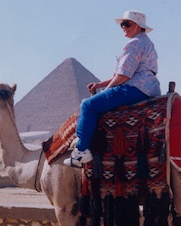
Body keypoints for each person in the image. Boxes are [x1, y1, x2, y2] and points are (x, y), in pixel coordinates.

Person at [64, 10, 161, 167]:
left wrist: (106, 90)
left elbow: (123, 76)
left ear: (138, 26)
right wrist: (99, 85)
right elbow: (124, 74)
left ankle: (81, 152)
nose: (123, 27)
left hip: (134, 88)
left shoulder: (134, 43)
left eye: (127, 24)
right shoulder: (147, 43)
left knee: (88, 105)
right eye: (122, 24)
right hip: (148, 88)